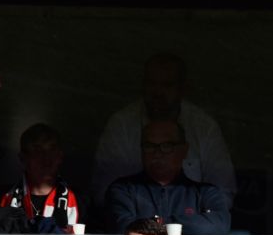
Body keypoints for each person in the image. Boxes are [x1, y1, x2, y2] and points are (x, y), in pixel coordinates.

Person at [92, 52, 236, 203]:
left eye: (167, 85)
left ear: (182, 89)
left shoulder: (204, 127)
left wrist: (186, 218)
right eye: (152, 84)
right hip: (133, 221)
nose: (158, 92)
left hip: (189, 221)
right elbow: (104, 191)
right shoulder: (121, 125)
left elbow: (223, 193)